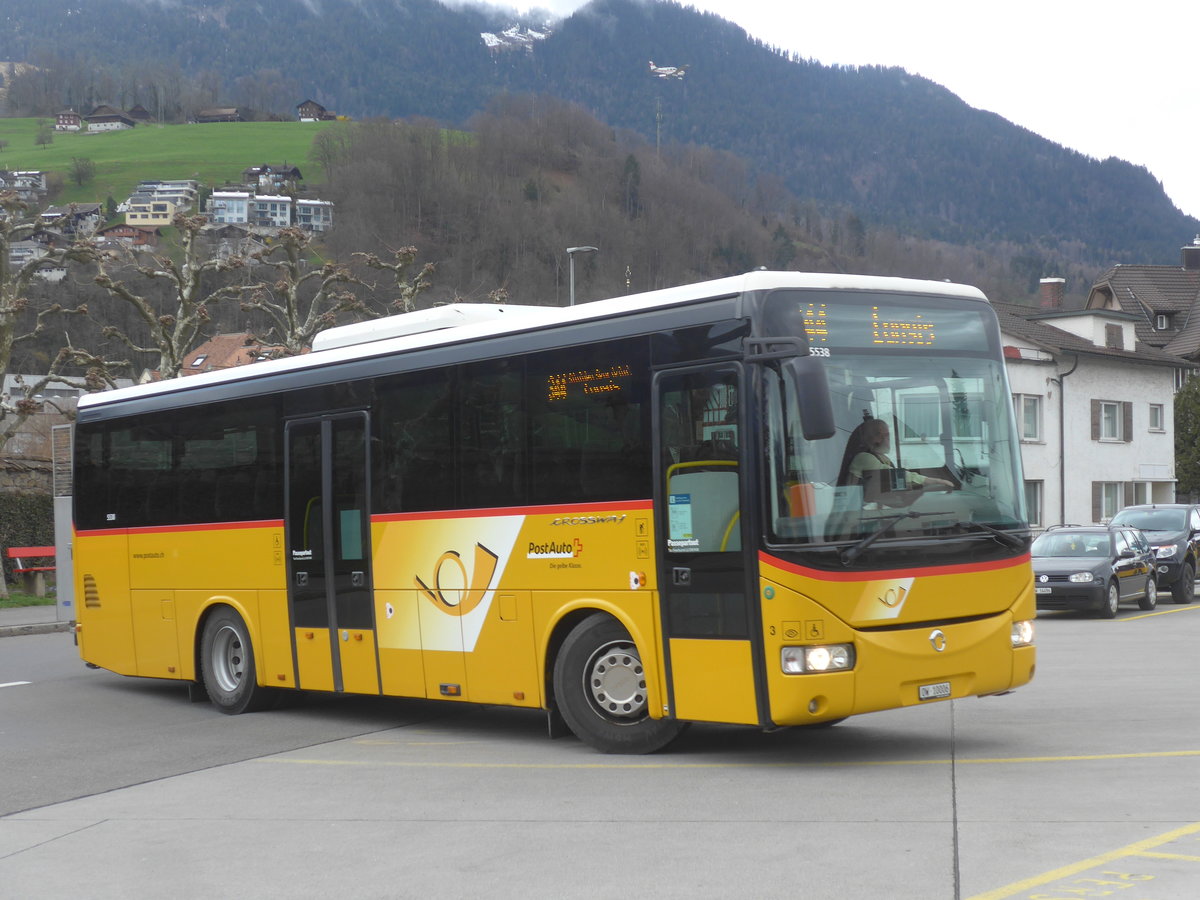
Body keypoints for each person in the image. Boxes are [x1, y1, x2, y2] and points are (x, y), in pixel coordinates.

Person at [836, 418, 954, 493]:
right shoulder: (864, 458)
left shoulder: (882, 457)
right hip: (855, 512)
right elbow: (894, 476)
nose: (887, 439)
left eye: (887, 435)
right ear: (874, 438)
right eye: (885, 435)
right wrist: (934, 481)